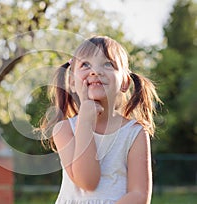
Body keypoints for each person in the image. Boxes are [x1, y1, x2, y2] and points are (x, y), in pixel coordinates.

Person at [40, 35, 162, 204]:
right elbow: (88, 181)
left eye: (108, 64)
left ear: (125, 82)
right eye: (85, 65)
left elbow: (139, 196)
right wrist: (85, 120)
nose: (95, 71)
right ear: (72, 82)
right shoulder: (64, 130)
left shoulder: (134, 132)